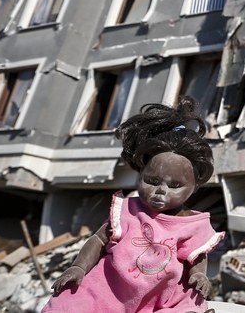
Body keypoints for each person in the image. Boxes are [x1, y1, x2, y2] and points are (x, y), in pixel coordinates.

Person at [43, 97, 224, 313]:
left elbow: (196, 255)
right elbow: (99, 239)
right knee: (71, 302)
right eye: (152, 181)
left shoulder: (192, 224)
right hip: (111, 287)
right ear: (140, 174)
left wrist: (198, 275)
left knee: (184, 306)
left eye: (175, 185)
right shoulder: (129, 209)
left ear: (194, 188)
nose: (161, 190)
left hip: (162, 295)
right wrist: (78, 267)